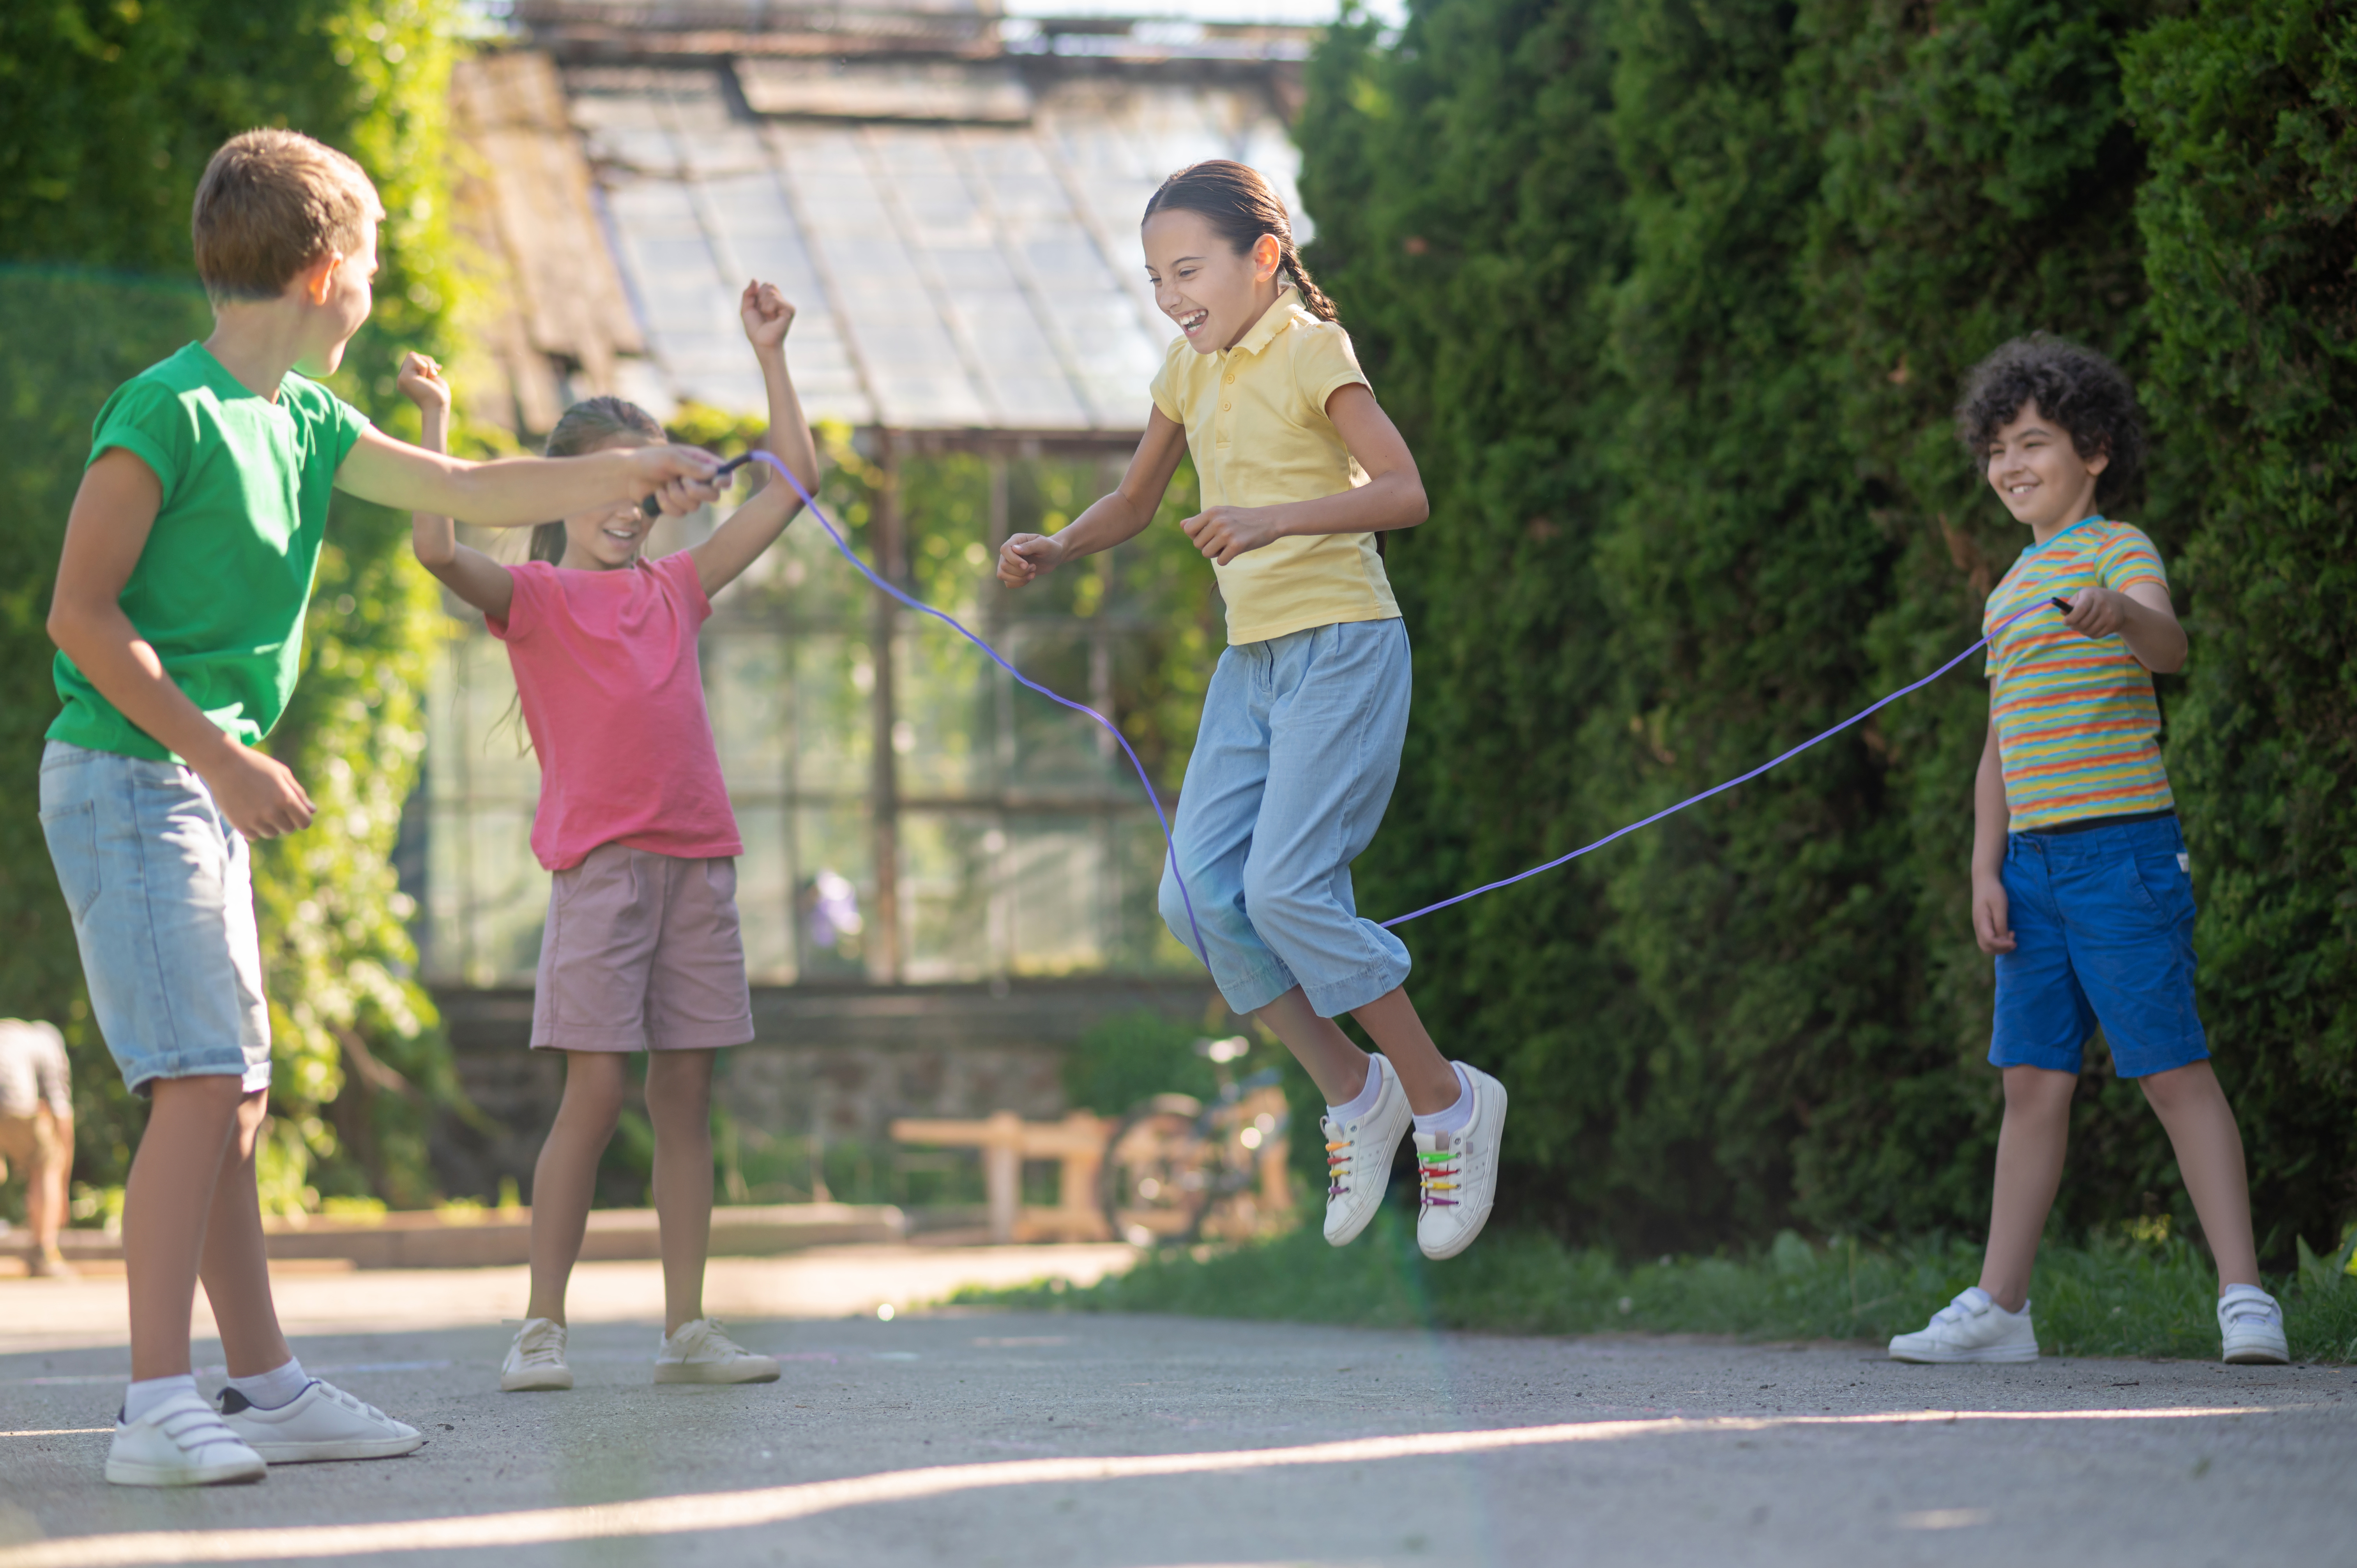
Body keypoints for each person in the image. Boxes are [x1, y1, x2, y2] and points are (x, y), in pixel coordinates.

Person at [40, 128, 724, 1489]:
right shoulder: (165, 412)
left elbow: (466, 492)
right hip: (133, 774)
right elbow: (80, 614)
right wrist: (220, 757)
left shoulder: (303, 416)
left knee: (233, 1093)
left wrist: (628, 474)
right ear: (330, 267)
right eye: (375, 267)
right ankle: (152, 1404)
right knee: (194, 1085)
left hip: (193, 785)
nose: (375, 294)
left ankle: (267, 1381)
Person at [997, 161, 1507, 1261]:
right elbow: (1136, 499)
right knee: (1197, 901)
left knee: (1285, 888)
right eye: (1153, 278)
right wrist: (1058, 543)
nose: (1171, 294)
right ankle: (1356, 1093)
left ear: (1262, 257)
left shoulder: (1314, 349)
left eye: (1187, 269)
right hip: (1252, 665)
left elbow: (1405, 490)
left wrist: (1276, 521)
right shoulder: (1188, 367)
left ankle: (1449, 1103)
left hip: (1343, 648)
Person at [401, 279, 820, 1393]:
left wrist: (768, 354)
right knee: (594, 1096)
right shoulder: (533, 598)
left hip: (699, 870)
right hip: (600, 877)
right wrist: (437, 426)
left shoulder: (678, 588)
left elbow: (795, 486)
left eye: (647, 486)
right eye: (611, 485)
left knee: (685, 1098)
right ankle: (543, 1329)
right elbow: (437, 549)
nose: (631, 506)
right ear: (567, 490)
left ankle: (688, 1332)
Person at [1889, 335, 2288, 1367]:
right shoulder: (2007, 590)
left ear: (2094, 452)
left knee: (2170, 1071)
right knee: (2033, 1083)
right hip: (2034, 868)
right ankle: (2001, 1309)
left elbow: (2170, 646)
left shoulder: (2120, 550)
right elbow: (1999, 745)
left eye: (2033, 443)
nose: (2010, 466)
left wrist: (2120, 615)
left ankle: (2246, 1297)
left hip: (2122, 855)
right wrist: (1986, 865)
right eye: (1995, 450)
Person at [0, 1018, 76, 1278]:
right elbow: (63, 1118)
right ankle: (44, 1253)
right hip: (12, 1096)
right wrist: (62, 1185)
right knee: (47, 1161)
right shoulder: (50, 1048)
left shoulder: (15, 1034)